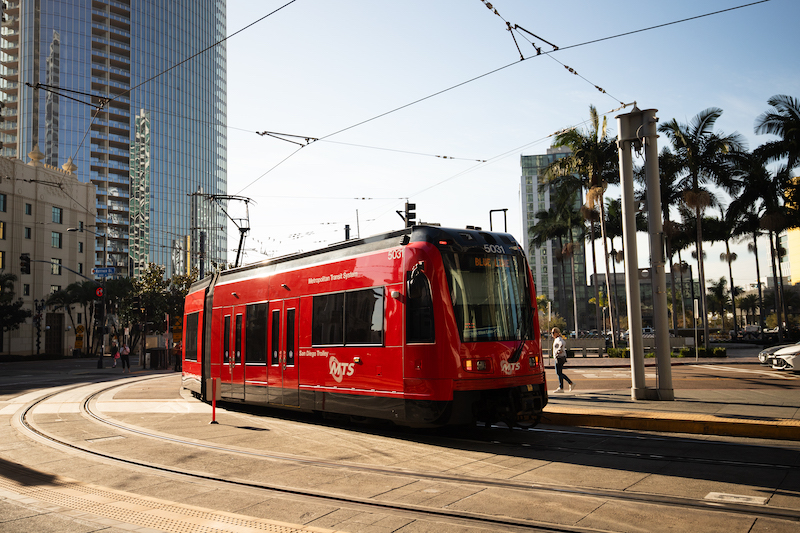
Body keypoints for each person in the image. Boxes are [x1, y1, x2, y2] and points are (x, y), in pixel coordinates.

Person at [551, 327, 574, 393]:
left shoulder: (558, 339)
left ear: (557, 333)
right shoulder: (556, 339)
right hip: (559, 357)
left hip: (560, 357)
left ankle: (563, 387)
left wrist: (559, 350)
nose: (552, 334)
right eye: (551, 333)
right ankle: (567, 385)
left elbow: (562, 343)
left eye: (553, 333)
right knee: (559, 373)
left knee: (558, 372)